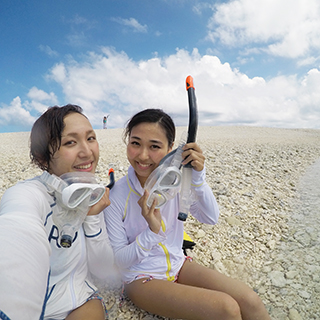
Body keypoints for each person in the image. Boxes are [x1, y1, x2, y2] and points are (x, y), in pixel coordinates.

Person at [104, 109, 271, 320]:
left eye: (154, 146)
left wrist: (198, 179)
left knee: (250, 300)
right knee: (226, 309)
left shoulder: (176, 184)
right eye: (135, 143)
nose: (143, 155)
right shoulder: (117, 195)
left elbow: (210, 218)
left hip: (178, 264)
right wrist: (152, 232)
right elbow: (120, 261)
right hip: (140, 279)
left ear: (170, 149)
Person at [0, 104, 114, 320]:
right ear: (43, 158)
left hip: (82, 300)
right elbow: (17, 231)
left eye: (91, 138)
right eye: (70, 142)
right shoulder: (27, 194)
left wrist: (90, 218)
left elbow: (103, 269)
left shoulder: (92, 196)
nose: (87, 152)